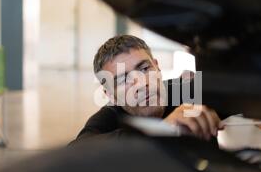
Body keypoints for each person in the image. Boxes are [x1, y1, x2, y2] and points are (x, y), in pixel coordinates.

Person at [70, 35, 223, 144]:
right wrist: (162, 129)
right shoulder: (110, 117)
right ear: (112, 96)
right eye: (123, 80)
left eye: (144, 69)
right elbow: (78, 152)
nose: (141, 84)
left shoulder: (186, 90)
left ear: (157, 67)